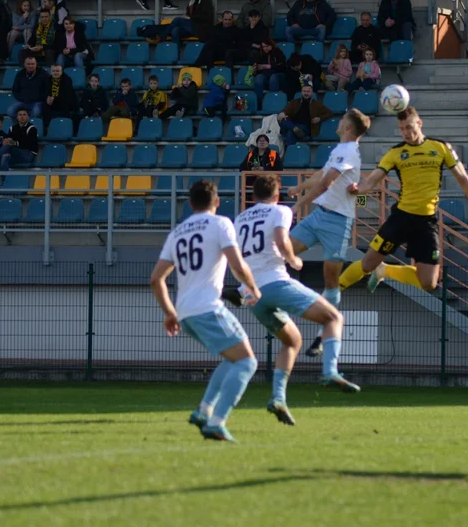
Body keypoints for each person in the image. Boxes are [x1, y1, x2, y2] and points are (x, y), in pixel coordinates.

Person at [233, 175, 358, 424]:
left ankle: (278, 398)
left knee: (292, 341)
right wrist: (293, 260)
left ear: (253, 195)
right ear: (277, 194)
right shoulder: (280, 211)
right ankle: (330, 371)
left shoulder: (239, 219)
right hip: (274, 282)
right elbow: (281, 240)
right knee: (333, 317)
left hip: (250, 292)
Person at [149, 179, 262, 442]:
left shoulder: (177, 232)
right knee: (247, 362)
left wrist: (169, 313)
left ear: (190, 204)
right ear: (217, 201)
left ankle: (203, 411)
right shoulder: (221, 223)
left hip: (185, 312)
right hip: (207, 307)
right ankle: (216, 421)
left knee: (233, 358)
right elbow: (237, 264)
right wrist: (252, 287)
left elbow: (156, 279)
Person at [338, 107, 468, 294]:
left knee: (429, 283)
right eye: (402, 129)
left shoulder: (440, 147)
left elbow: (464, 180)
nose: (406, 133)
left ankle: (385, 270)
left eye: (409, 127)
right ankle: (331, 292)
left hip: (426, 222)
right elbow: (372, 180)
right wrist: (358, 189)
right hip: (400, 218)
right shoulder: (395, 153)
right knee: (367, 264)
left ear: (419, 123)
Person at [282, 109, 370, 358]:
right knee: (282, 252)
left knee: (330, 280)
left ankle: (323, 334)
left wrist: (300, 203)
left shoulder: (349, 151)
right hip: (320, 215)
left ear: (349, 127)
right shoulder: (339, 149)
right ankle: (250, 293)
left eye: (343, 120)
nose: (339, 122)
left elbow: (326, 183)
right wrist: (299, 187)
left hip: (338, 222)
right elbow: (321, 176)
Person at [0, 105, 38, 170]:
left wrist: (14, 143)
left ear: (28, 116)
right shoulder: (12, 128)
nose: (22, 117)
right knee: (5, 156)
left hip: (28, 155)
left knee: (8, 147)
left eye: (24, 115)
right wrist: (6, 141)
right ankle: (3, 179)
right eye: (20, 115)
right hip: (15, 153)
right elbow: (9, 141)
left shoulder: (32, 128)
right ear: (17, 117)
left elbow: (29, 144)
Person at [277, 82, 332, 146]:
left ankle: (290, 152)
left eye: (308, 91)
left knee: (290, 133)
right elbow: (286, 110)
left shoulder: (317, 104)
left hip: (305, 127)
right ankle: (294, 129)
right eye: (304, 91)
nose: (306, 93)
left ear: (312, 93)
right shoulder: (295, 102)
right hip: (293, 124)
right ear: (301, 92)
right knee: (282, 118)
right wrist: (283, 113)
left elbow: (330, 113)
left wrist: (319, 118)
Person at [252, 40, 286, 107]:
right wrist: (255, 70)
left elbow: (282, 66)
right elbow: (258, 69)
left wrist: (266, 66)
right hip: (266, 76)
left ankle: (274, 102)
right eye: (263, 47)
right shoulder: (261, 54)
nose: (265, 48)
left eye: (266, 46)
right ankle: (258, 104)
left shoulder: (278, 52)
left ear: (271, 45)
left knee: (273, 78)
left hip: (278, 75)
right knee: (258, 78)